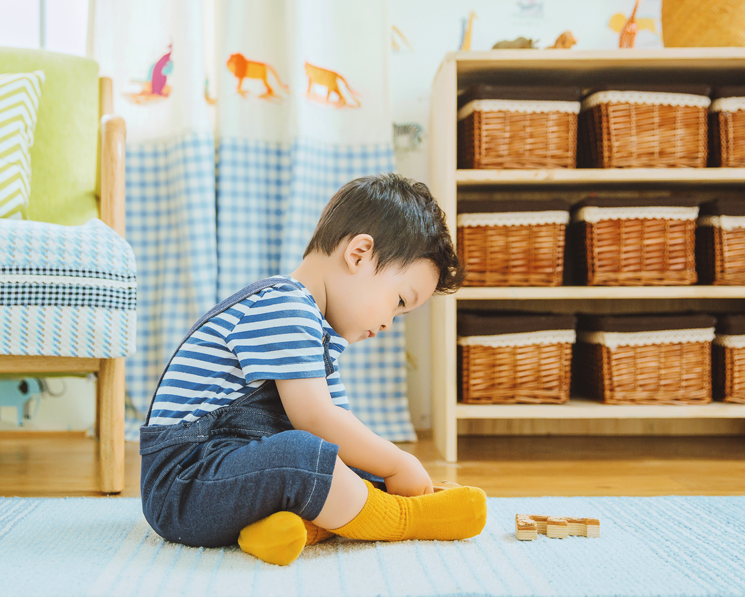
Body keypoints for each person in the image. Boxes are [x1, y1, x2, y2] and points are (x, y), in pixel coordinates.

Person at [138, 173, 487, 566]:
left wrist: (378, 470)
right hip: (184, 484)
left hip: (228, 477)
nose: (390, 321)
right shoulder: (284, 304)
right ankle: (405, 519)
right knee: (303, 456)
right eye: (399, 301)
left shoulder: (320, 338)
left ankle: (293, 530)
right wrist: (397, 462)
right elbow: (315, 418)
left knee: (338, 462)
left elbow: (337, 440)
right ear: (359, 254)